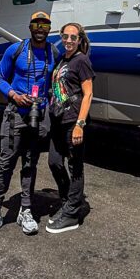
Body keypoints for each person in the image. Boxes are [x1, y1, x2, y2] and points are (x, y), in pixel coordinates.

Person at [0, 11, 57, 240]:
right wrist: (13, 94)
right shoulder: (16, 49)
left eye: (45, 24)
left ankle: (26, 210)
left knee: (30, 163)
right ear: (30, 27)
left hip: (37, 116)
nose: (40, 28)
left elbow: (55, 82)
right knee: (6, 164)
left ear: (49, 29)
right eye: (36, 24)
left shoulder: (53, 52)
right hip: (15, 114)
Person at [46, 22, 95, 234]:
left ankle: (72, 214)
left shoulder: (81, 61)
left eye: (73, 37)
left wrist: (80, 125)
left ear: (79, 40)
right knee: (54, 162)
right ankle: (68, 201)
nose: (68, 40)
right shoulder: (62, 60)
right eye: (65, 36)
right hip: (58, 120)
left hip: (73, 121)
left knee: (76, 167)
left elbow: (88, 94)